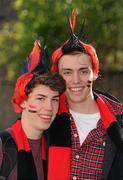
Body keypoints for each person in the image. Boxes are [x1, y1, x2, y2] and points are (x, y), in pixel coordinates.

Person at [47, 10, 123, 180]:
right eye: (67, 72)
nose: (75, 80)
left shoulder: (119, 120)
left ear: (94, 73)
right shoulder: (45, 116)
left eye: (83, 71)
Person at [0, 40, 66, 179]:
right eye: (41, 98)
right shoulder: (3, 145)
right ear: (23, 101)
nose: (49, 108)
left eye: (54, 100)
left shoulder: (56, 147)